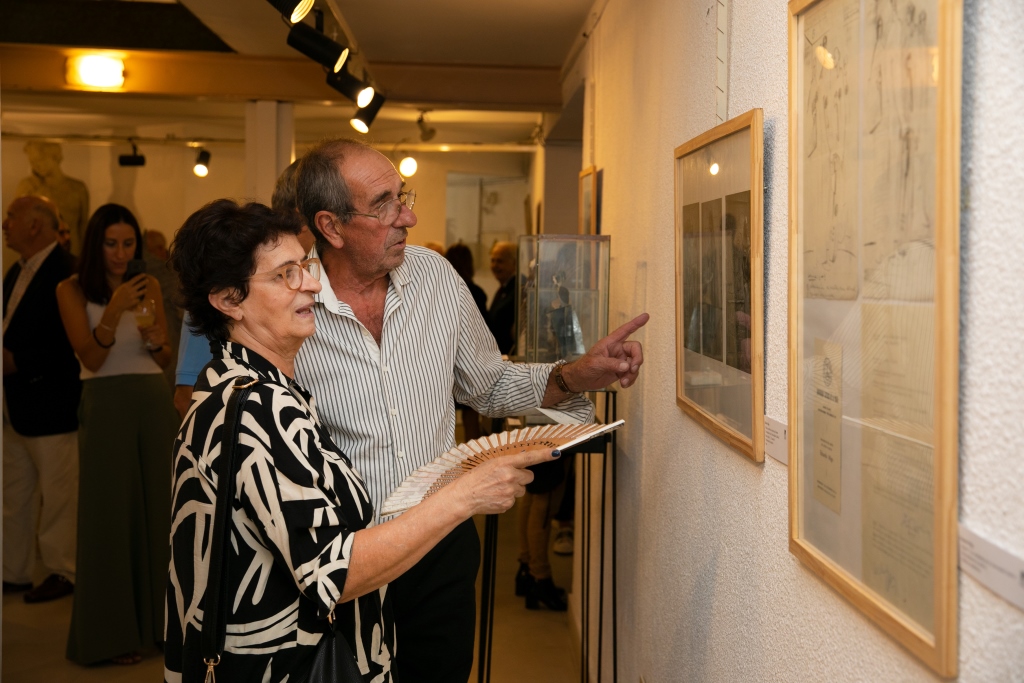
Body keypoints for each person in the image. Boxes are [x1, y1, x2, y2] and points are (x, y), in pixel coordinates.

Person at [292, 137, 648, 683]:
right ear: (331, 227)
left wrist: (575, 375)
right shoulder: (289, 302)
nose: (408, 216)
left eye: (402, 196)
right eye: (384, 204)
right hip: (343, 559)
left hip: (441, 547)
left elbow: (489, 384)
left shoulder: (434, 278)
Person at [164, 199, 555, 682]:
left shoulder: (236, 382)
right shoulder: (258, 407)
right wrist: (465, 495)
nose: (311, 284)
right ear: (229, 300)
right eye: (285, 275)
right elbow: (335, 574)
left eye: (305, 266)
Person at [56, 203, 179, 666]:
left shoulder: (148, 285)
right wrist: (113, 309)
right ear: (96, 244)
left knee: (161, 513)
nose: (121, 253)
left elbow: (163, 358)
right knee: (109, 517)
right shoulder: (70, 289)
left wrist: (157, 343)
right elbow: (91, 358)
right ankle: (112, 636)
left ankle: (165, 628)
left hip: (152, 402)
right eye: (112, 244)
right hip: (105, 403)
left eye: (129, 244)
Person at [2, 196, 81, 603]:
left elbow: (71, 343)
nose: (4, 224)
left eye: (11, 217)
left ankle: (62, 571)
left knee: (59, 497)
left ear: (35, 225)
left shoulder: (67, 270)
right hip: (14, 403)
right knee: (13, 495)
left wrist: (19, 361)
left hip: (52, 402)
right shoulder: (16, 269)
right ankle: (12, 571)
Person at [445, 242, 487, 440]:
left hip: (448, 358)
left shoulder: (444, 291)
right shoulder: (475, 291)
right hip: (469, 358)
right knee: (471, 417)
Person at [15, 141, 90, 254]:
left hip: (73, 253)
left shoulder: (78, 188)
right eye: (32, 162)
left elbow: (84, 227)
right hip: (40, 254)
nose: (35, 165)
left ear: (55, 157)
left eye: (40, 160)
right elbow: (19, 228)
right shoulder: (28, 187)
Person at [486, 240, 518, 355]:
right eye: (492, 260)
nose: (495, 266)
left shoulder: (518, 289)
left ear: (514, 263)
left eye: (500, 261)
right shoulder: (503, 289)